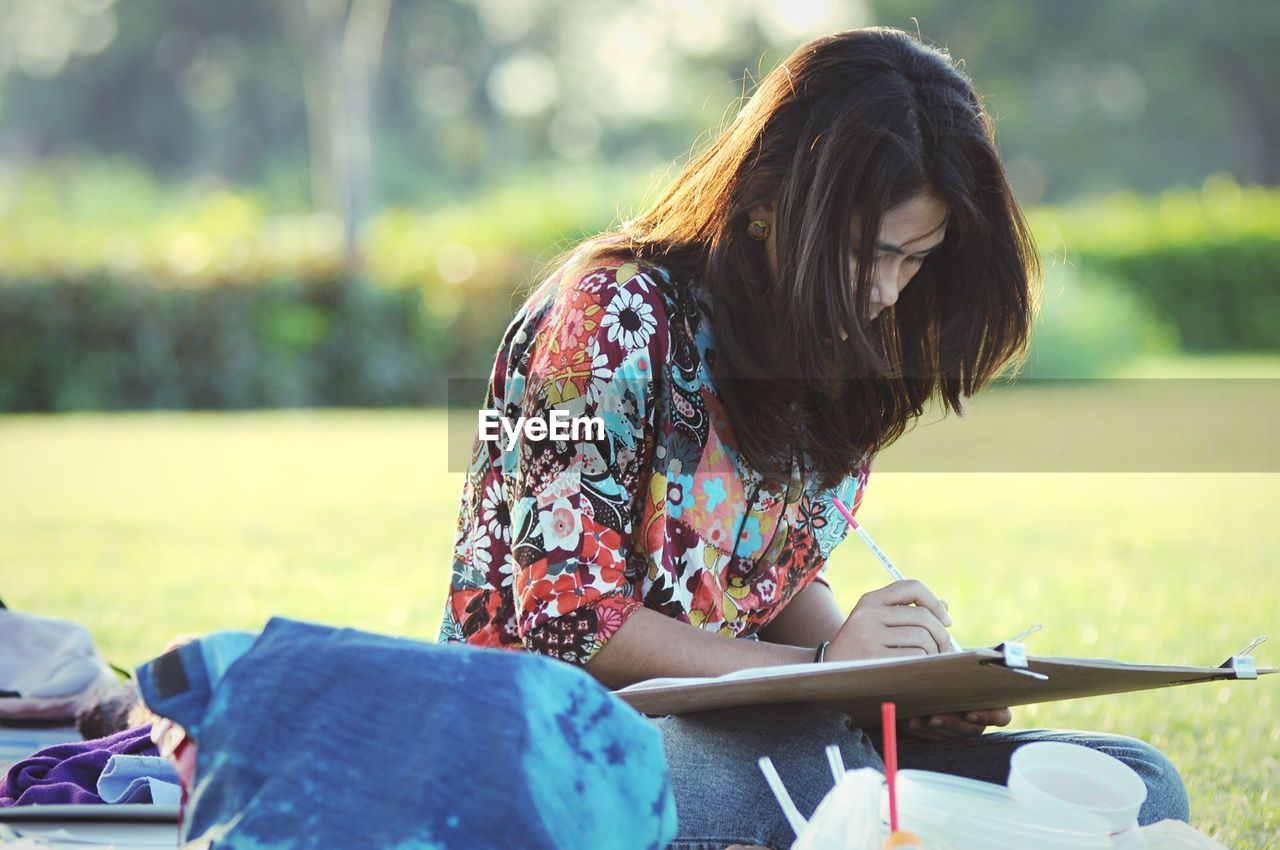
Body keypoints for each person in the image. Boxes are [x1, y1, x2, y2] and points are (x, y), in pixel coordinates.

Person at [439, 26, 1188, 850]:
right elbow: (568, 620)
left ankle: (879, 818)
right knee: (804, 764)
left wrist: (897, 679)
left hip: (759, 728)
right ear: (769, 204)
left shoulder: (833, 340)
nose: (885, 290)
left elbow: (766, 576)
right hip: (557, 742)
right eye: (870, 253)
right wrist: (828, 676)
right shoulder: (605, 317)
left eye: (915, 260)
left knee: (1139, 782)